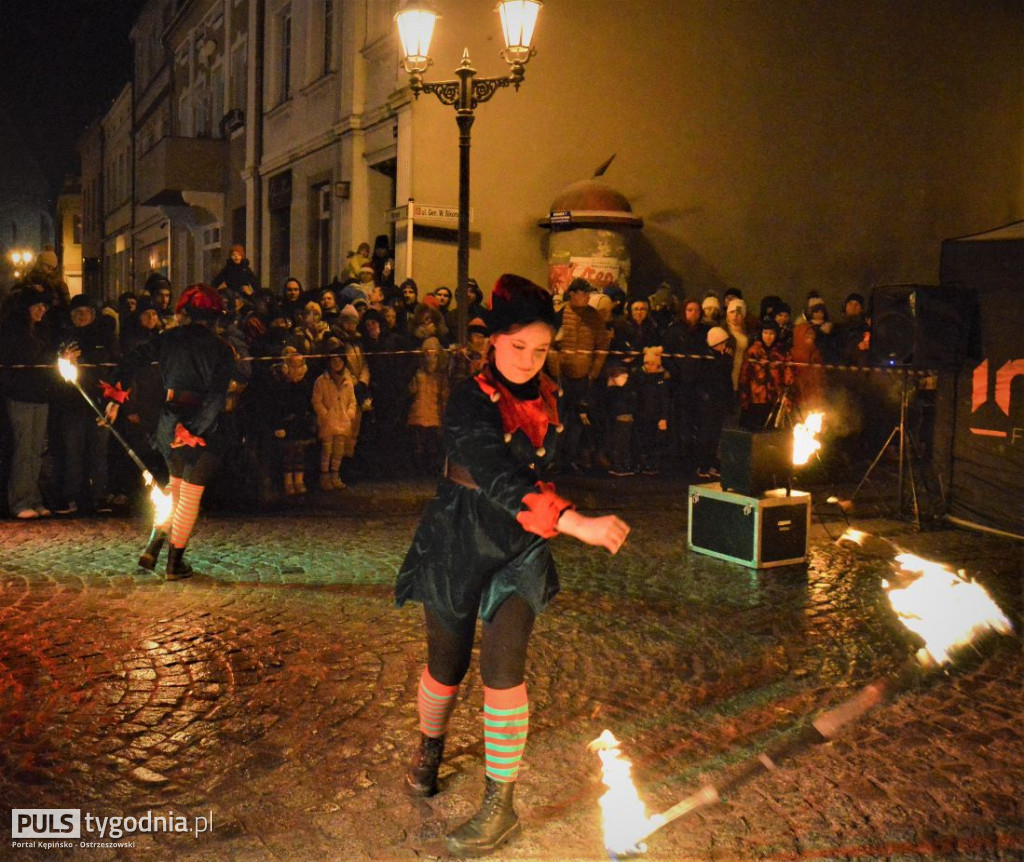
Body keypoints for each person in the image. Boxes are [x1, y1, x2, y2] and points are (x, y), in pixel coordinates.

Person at [395, 274, 630, 858]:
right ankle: (430, 748)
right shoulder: (468, 399)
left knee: (505, 671)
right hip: (460, 537)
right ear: (492, 342)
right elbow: (496, 474)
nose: (529, 360)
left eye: (541, 349)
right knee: (444, 671)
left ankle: (500, 807)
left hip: (522, 547)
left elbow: (543, 466)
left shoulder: (551, 394)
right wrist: (576, 522)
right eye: (518, 346)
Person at [103, 284, 235, 578]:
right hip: (201, 425)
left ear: (184, 312)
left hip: (169, 417)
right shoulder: (223, 349)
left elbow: (130, 361)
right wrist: (192, 430)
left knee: (174, 488)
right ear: (215, 318)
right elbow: (215, 397)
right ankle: (175, 563)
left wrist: (115, 397)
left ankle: (152, 548)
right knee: (188, 494)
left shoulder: (168, 338)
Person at [55, 294, 119, 515]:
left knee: (98, 452)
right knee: (73, 452)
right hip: (72, 403)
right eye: (77, 313)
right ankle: (72, 496)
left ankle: (99, 496)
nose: (81, 317)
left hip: (98, 402)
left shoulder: (104, 337)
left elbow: (113, 365)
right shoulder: (66, 338)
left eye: (85, 313)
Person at [1, 287, 56, 519]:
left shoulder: (42, 330)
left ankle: (34, 497)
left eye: (44, 306)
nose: (42, 311)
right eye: (37, 306)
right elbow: (27, 357)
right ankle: (19, 500)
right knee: (24, 449)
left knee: (36, 450)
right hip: (21, 395)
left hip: (40, 394)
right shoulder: (15, 332)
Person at [546, 278, 611, 472]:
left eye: (588, 293)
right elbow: (549, 346)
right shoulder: (558, 316)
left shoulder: (594, 318)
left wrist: (593, 373)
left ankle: (570, 459)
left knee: (577, 422)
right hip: (561, 377)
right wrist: (555, 371)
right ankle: (554, 460)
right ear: (573, 294)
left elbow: (602, 347)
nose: (587, 297)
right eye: (584, 293)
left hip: (584, 379)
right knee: (558, 421)